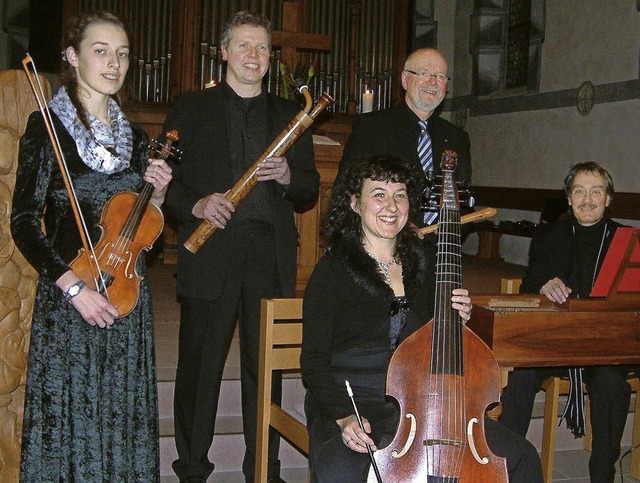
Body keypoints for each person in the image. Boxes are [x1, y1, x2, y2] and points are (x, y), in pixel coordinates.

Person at [301, 155, 543, 482]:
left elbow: (437, 342)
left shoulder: (428, 265)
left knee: (521, 457)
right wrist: (344, 417)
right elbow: (313, 360)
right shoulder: (332, 272)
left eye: (400, 194)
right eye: (379, 194)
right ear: (355, 204)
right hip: (355, 402)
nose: (391, 205)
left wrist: (458, 319)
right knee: (343, 470)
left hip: (426, 403)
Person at [11, 10, 172, 481]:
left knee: (122, 423)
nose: (113, 63)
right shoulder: (48, 127)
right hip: (70, 303)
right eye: (100, 51)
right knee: (70, 423)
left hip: (126, 302)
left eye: (121, 54)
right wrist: (74, 289)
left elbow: (142, 229)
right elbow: (23, 222)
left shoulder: (138, 141)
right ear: (72, 56)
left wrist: (157, 195)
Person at [161, 11, 319, 483]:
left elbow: (309, 189)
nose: (254, 56)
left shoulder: (290, 115)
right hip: (210, 253)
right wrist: (197, 205)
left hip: (268, 257)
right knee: (199, 366)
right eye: (244, 46)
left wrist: (290, 176)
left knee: (264, 369)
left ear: (270, 58)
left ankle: (262, 469)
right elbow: (165, 186)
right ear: (225, 52)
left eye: (262, 48)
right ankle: (191, 468)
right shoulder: (190, 109)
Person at [499, 162, 635, 482]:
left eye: (596, 191)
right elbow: (529, 283)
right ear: (569, 198)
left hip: (604, 348)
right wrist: (544, 283)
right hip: (554, 342)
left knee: (612, 383)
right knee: (520, 378)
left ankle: (602, 471)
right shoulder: (549, 233)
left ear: (609, 198)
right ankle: (506, 464)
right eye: (579, 191)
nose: (588, 199)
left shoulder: (625, 239)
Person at [339, 48, 471, 226]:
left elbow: (463, 200)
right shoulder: (371, 128)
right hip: (386, 243)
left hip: (440, 247)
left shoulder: (457, 138)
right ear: (404, 79)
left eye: (440, 76)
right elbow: (346, 191)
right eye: (424, 73)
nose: (433, 82)